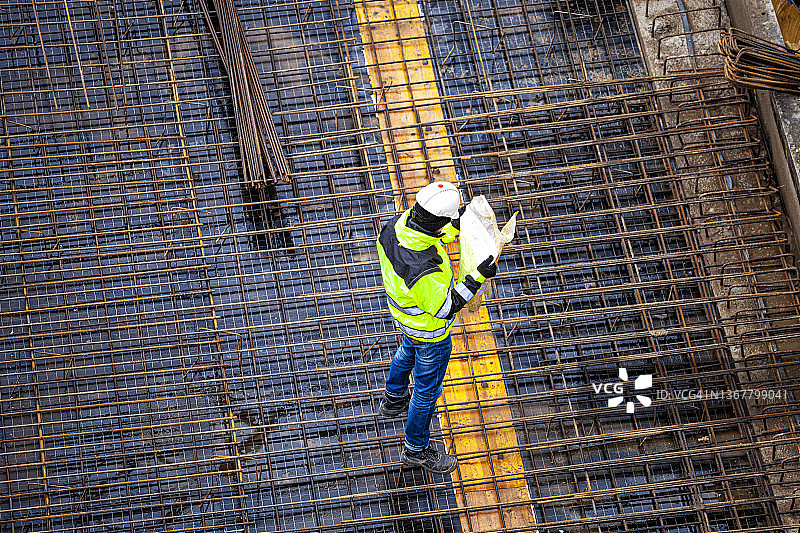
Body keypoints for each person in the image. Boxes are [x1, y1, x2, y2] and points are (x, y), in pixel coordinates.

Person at [375, 181, 498, 474]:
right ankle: (415, 449)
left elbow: (434, 231)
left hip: (405, 319)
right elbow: (444, 309)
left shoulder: (398, 225)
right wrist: (476, 278)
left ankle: (393, 398)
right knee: (427, 392)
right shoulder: (424, 269)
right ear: (439, 220)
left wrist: (458, 223)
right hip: (430, 332)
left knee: (406, 353)